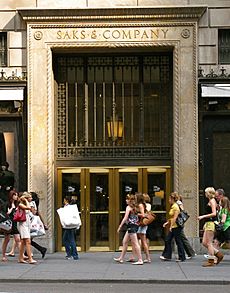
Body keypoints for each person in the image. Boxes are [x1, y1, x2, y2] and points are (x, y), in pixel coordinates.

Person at [113, 194, 143, 265]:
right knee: (125, 241)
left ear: (129, 200)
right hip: (134, 225)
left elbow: (125, 218)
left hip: (131, 226)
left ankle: (140, 259)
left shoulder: (128, 207)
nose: (126, 200)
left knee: (135, 243)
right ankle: (121, 258)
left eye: (127, 199)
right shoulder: (135, 207)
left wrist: (120, 226)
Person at [198, 187, 223, 267]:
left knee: (208, 243)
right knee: (205, 242)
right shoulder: (212, 201)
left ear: (209, 193)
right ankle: (219, 254)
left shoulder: (212, 201)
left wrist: (203, 216)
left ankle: (211, 260)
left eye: (206, 192)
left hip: (211, 223)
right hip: (209, 223)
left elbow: (214, 213)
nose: (205, 194)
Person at [160, 192, 186, 262]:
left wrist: (171, 226)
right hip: (174, 226)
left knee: (177, 241)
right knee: (168, 240)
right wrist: (167, 223)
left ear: (172, 199)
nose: (168, 200)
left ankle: (181, 256)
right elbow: (172, 217)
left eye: (169, 199)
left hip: (176, 226)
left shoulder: (175, 206)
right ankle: (168, 255)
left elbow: (175, 217)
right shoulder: (173, 206)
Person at [17, 192, 37, 264]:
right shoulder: (21, 204)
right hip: (23, 224)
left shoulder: (26, 204)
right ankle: (30, 258)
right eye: (30, 197)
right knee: (28, 241)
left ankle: (20, 258)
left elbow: (32, 211)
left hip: (27, 223)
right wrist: (25, 200)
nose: (31, 199)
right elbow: (29, 208)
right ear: (26, 198)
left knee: (23, 241)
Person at [1, 190, 21, 262]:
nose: (16, 196)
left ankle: (22, 256)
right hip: (8, 223)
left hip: (14, 223)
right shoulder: (7, 204)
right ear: (11, 196)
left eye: (17, 195)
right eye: (15, 195)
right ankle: (3, 255)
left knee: (18, 239)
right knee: (7, 239)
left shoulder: (17, 204)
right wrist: (12, 208)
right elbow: (6, 213)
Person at [177, 194, 196, 259]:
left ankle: (191, 253)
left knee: (182, 238)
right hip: (178, 223)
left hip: (178, 223)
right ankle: (190, 253)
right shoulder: (179, 203)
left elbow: (182, 211)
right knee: (181, 238)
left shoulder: (178, 203)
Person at [62, 196, 79, 260]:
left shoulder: (68, 207)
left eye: (64, 200)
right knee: (66, 239)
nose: (63, 201)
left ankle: (73, 255)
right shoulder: (72, 207)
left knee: (71, 240)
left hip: (69, 225)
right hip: (71, 225)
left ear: (66, 201)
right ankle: (71, 254)